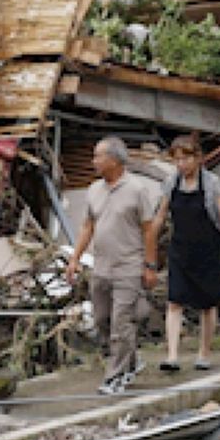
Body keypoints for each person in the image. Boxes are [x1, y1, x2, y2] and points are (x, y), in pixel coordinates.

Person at [65, 136, 159, 395]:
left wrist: (150, 266)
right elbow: (88, 226)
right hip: (102, 266)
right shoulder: (94, 189)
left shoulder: (136, 189)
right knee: (101, 319)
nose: (94, 161)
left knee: (121, 322)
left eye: (98, 156)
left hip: (129, 265)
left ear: (115, 160)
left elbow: (149, 230)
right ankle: (131, 361)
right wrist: (74, 259)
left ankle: (116, 377)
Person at [152, 133, 220, 371]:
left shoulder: (211, 183)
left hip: (209, 249)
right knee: (174, 301)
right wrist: (148, 243)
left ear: (198, 158)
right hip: (180, 249)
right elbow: (160, 216)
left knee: (207, 303)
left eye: (185, 159)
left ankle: (204, 353)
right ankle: (172, 356)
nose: (181, 165)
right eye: (177, 160)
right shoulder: (171, 183)